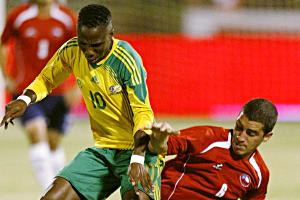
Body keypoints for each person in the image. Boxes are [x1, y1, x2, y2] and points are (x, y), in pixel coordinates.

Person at [1, 4, 163, 200]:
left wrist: (137, 158)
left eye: (96, 45)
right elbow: (46, 79)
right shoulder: (72, 49)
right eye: (84, 44)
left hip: (139, 151)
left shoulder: (126, 59)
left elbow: (143, 112)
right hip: (103, 152)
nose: (89, 52)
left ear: (111, 33)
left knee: (136, 198)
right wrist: (24, 100)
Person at [0, 0, 79, 190]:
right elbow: (3, 44)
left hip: (58, 91)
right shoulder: (19, 16)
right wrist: (6, 76)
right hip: (26, 91)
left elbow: (80, 50)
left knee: (53, 143)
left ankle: (60, 188)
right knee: (37, 131)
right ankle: (50, 192)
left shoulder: (67, 18)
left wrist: (77, 86)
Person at [146, 98, 278, 199]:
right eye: (239, 127)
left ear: (266, 137)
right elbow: (157, 149)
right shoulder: (208, 138)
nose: (240, 137)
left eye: (250, 133)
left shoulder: (259, 174)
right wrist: (159, 139)